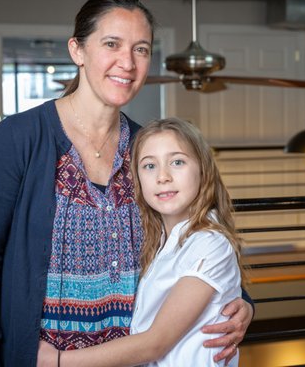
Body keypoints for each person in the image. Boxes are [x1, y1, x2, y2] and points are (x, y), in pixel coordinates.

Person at [0, 0, 253, 367]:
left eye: (141, 49)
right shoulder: (16, 141)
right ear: (77, 51)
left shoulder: (149, 150)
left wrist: (242, 302)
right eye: (111, 44)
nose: (127, 63)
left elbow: (195, 235)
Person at [37, 117, 245, 367]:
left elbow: (155, 343)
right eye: (149, 166)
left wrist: (58, 361)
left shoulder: (209, 243)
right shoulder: (159, 240)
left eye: (177, 162)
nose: (163, 177)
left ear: (203, 169)